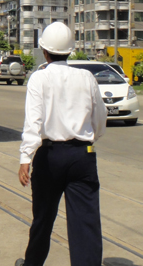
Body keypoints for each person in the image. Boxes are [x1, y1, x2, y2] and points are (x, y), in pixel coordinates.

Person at [16, 22, 107, 266]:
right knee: (86, 223)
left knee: (43, 220)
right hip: (82, 157)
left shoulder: (39, 79)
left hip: (50, 157)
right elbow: (100, 117)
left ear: (44, 51)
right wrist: (88, 139)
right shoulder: (87, 77)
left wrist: (26, 158)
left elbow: (32, 122)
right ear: (70, 51)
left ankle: (32, 264)